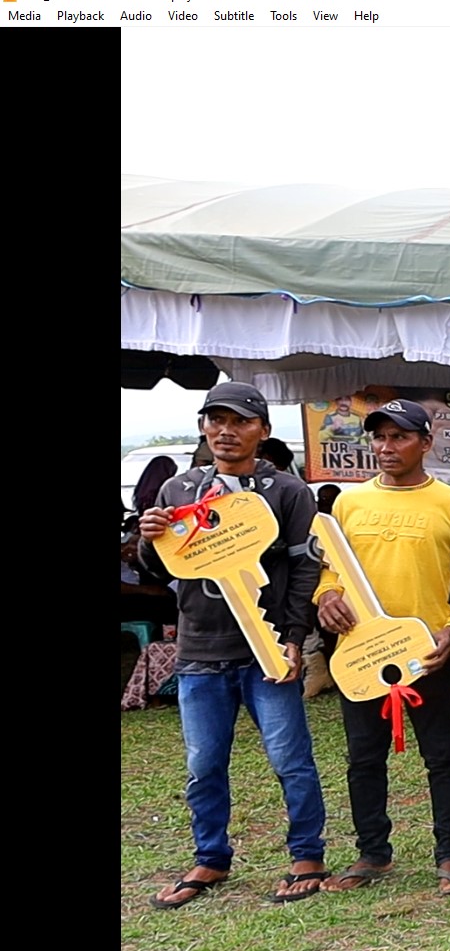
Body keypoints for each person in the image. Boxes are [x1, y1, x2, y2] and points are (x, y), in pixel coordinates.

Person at [138, 382, 329, 907]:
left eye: (240, 421)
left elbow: (304, 568)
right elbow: (161, 569)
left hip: (265, 650)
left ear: (262, 432)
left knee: (290, 758)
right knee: (203, 762)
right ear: (204, 427)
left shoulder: (287, 492)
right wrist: (151, 540)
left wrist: (293, 639)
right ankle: (210, 858)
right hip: (199, 649)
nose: (226, 430)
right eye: (215, 420)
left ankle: (307, 853)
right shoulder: (179, 491)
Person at [310, 400, 450, 897]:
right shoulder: (349, 503)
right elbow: (331, 570)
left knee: (442, 756)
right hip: (362, 652)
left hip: (427, 654)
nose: (386, 447)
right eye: (379, 438)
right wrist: (327, 597)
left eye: (400, 437)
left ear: (426, 443)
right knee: (364, 758)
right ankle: (373, 853)